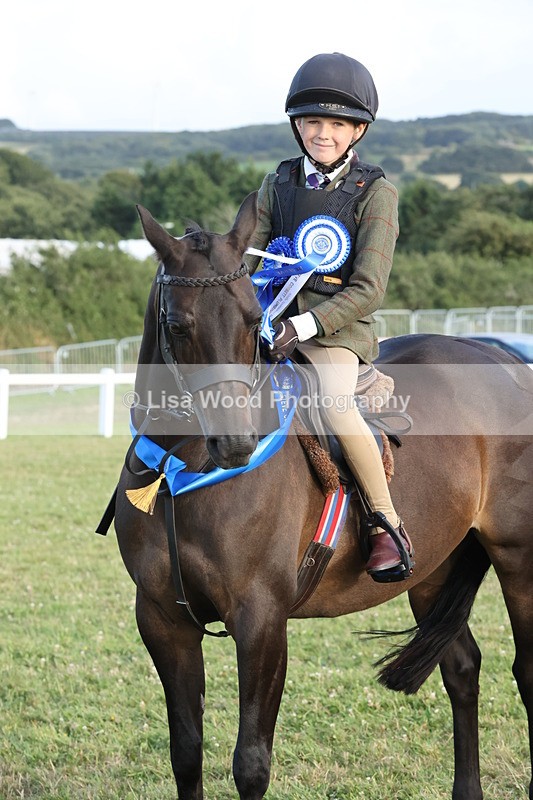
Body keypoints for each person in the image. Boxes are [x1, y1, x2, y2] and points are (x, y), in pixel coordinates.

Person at [246, 52, 413, 583]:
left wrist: (306, 325)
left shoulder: (377, 194)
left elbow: (369, 289)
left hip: (336, 333)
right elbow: (249, 257)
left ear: (357, 130)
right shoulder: (276, 185)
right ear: (297, 125)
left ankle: (386, 521)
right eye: (312, 122)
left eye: (336, 124)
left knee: (335, 405)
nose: (322, 133)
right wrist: (253, 310)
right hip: (271, 322)